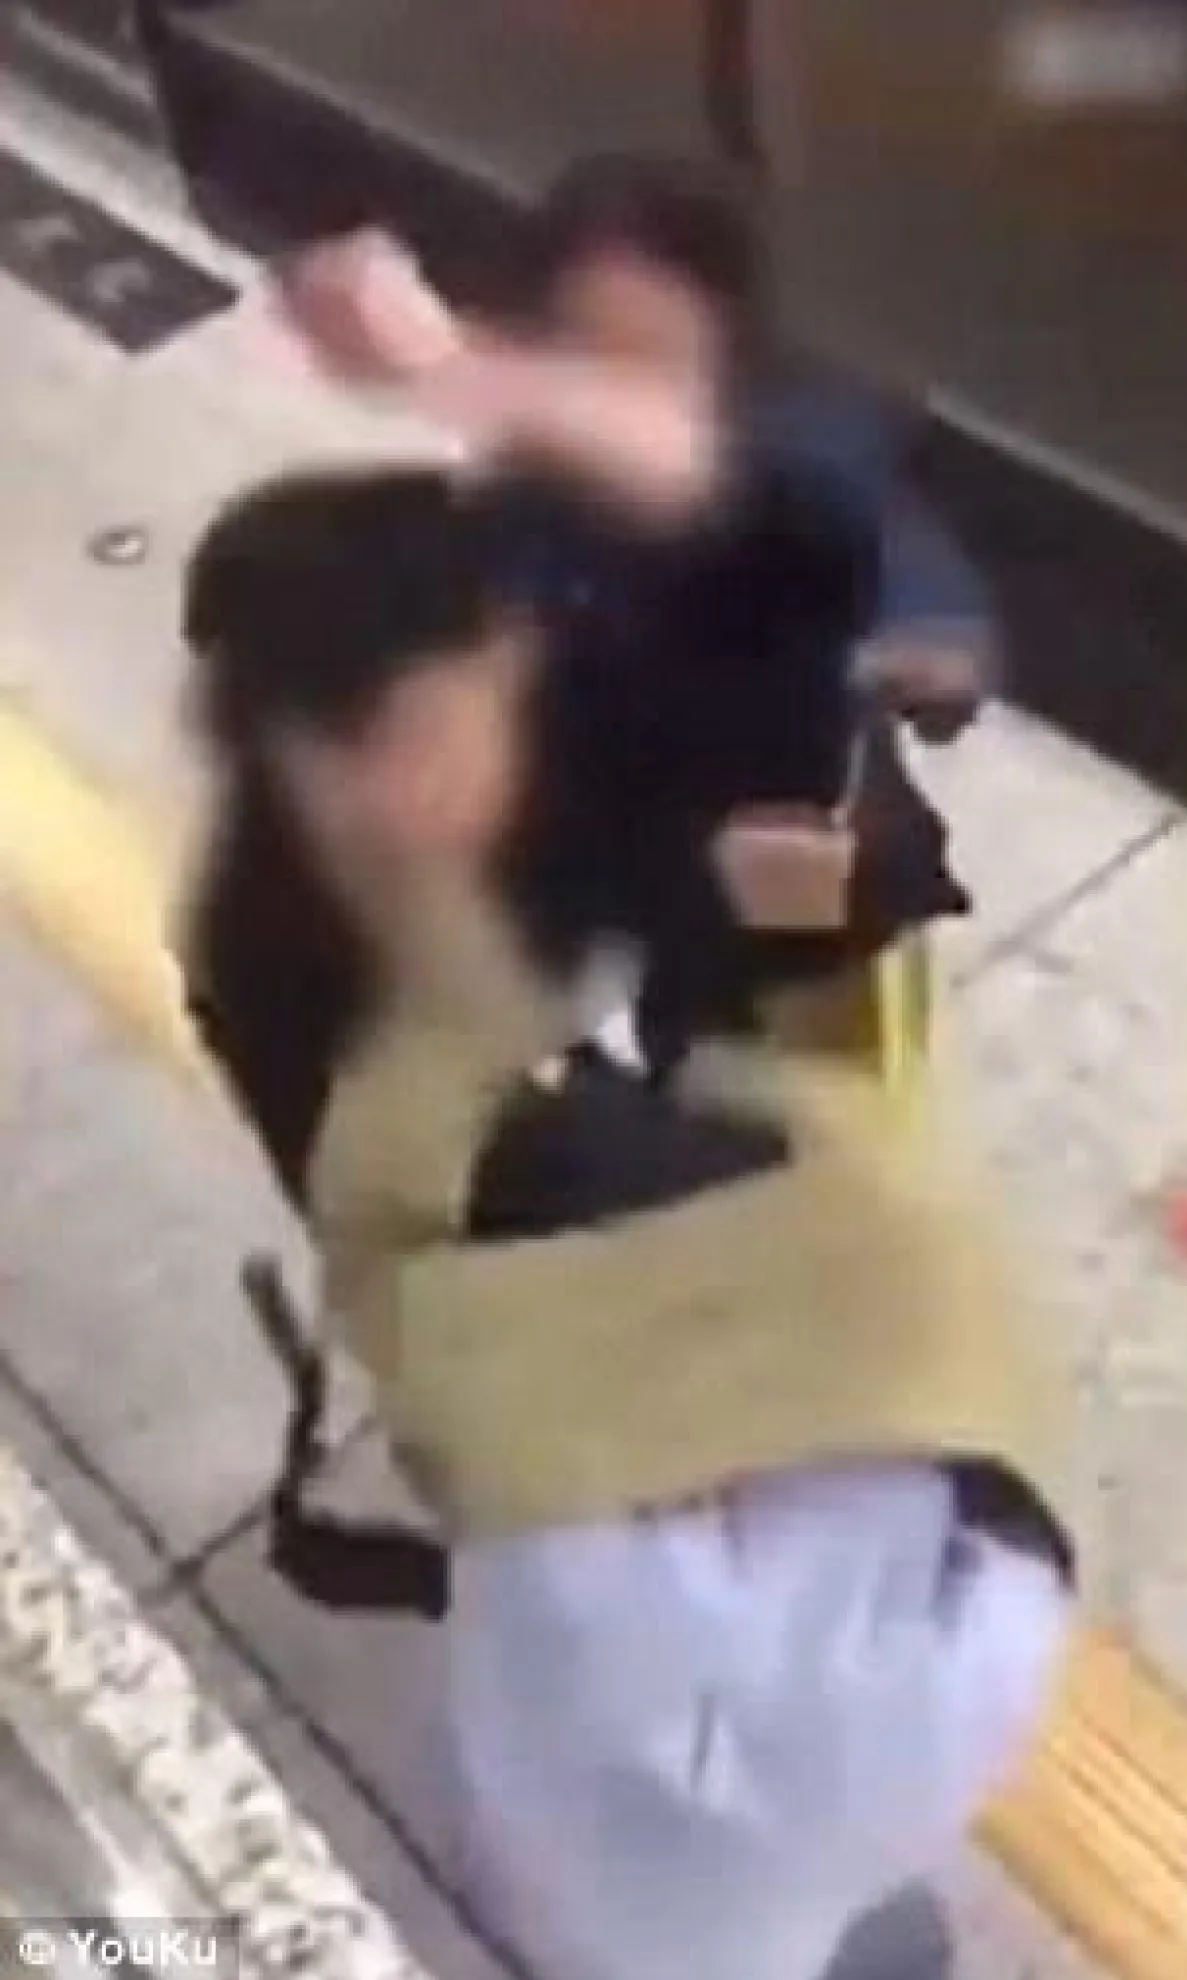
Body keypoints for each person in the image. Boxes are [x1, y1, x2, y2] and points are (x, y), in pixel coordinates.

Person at [181, 462, 1073, 1980]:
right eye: (485, 685)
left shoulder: (306, 925)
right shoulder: (444, 1081)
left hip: (608, 1524)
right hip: (684, 1644)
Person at [274, 155, 991, 1068]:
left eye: (654, 359)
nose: (617, 392)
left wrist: (451, 367)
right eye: (592, 352)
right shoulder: (536, 504)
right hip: (661, 889)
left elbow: (784, 519)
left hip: (815, 906)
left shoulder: (810, 459)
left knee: (831, 1091)